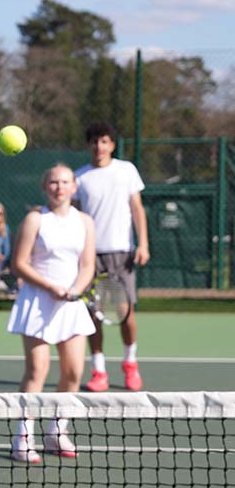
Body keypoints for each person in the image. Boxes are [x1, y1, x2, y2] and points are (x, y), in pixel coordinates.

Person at [7, 164, 96, 463]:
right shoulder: (34, 219)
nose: (59, 187)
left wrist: (75, 290)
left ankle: (57, 431)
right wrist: (51, 287)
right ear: (45, 187)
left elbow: (87, 266)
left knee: (73, 372)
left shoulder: (85, 221)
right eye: (53, 182)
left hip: (70, 304)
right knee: (38, 370)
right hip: (37, 302)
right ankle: (23, 435)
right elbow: (18, 264)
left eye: (65, 182)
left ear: (74, 187)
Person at [74, 122, 150, 392]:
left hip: (122, 252)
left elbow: (137, 209)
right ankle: (99, 370)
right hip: (89, 256)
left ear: (112, 145)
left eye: (104, 141)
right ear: (89, 145)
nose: (99, 146)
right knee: (92, 315)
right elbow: (74, 218)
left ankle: (130, 363)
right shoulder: (79, 178)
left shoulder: (126, 170)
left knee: (125, 312)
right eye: (94, 141)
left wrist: (143, 244)